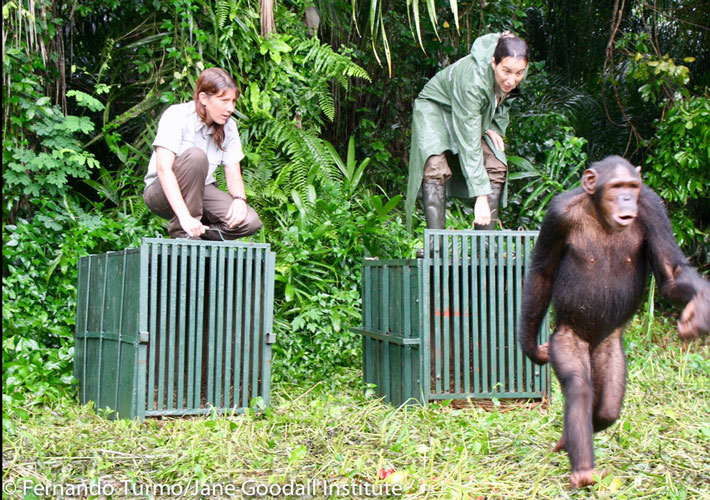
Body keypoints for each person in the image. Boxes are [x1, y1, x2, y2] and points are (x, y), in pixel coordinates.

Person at [405, 31, 529, 231]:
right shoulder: (474, 82)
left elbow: (506, 99)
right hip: (436, 108)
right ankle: (437, 248)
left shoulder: (516, 63)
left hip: (471, 114)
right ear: (493, 62)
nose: (512, 80)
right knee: (435, 165)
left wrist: (492, 126)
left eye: (519, 73)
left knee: (496, 164)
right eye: (506, 71)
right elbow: (469, 143)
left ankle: (485, 249)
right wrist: (480, 197)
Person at [143, 67, 262, 240]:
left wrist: (239, 199)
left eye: (233, 101)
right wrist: (184, 217)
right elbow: (163, 169)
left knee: (249, 221)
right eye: (224, 101)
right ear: (204, 98)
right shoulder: (177, 115)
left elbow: (234, 176)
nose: (231, 108)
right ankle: (184, 234)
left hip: (202, 191)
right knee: (196, 157)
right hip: (161, 192)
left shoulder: (229, 127)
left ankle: (199, 235)